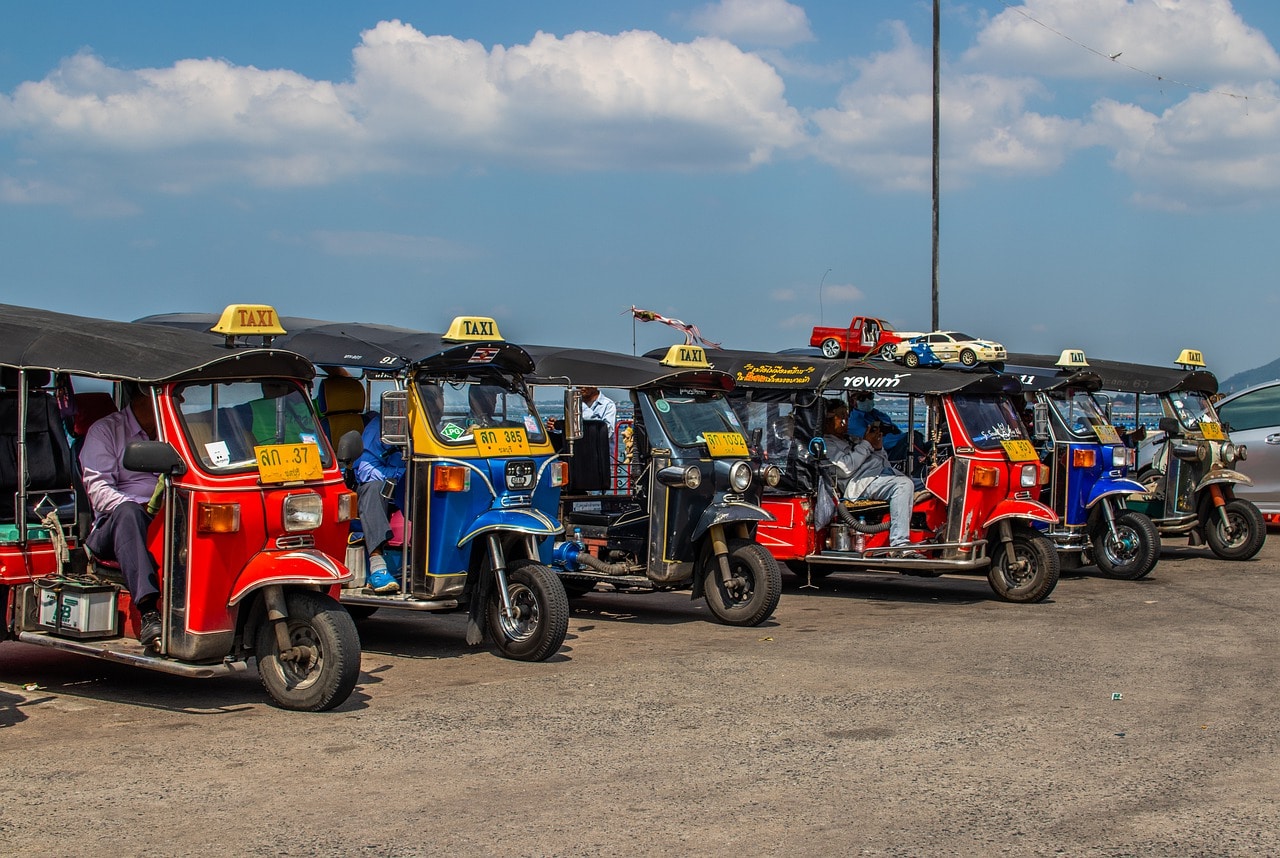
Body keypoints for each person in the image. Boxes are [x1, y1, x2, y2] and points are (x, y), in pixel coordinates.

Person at [80, 382, 164, 646]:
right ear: (144, 396)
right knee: (128, 512)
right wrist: (140, 508)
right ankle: (149, 611)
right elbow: (99, 490)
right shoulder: (105, 431)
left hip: (162, 515)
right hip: (113, 526)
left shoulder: (171, 428)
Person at [821, 399, 922, 558]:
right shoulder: (827, 444)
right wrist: (867, 444)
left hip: (881, 475)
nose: (845, 421)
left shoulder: (851, 439)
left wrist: (877, 446)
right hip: (860, 483)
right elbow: (845, 468)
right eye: (840, 417)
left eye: (846, 416)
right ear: (827, 419)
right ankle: (900, 545)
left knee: (926, 484)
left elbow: (881, 460)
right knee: (903, 485)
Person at [354, 414, 404, 594]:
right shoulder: (380, 427)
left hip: (411, 486)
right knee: (373, 489)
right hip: (386, 487)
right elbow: (366, 471)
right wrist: (405, 473)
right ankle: (377, 566)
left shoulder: (436, 426)